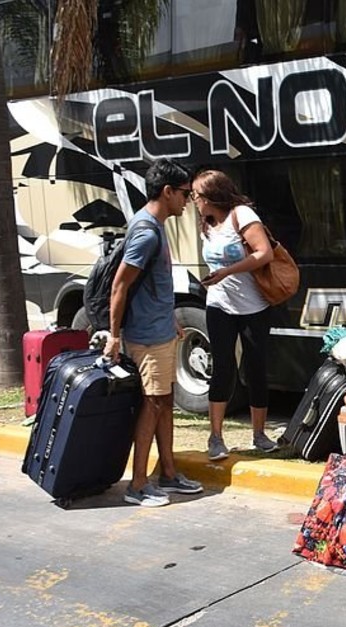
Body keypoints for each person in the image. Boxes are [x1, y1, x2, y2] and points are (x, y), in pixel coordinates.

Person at [105, 158, 205, 507]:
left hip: (159, 329)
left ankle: (169, 473)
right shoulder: (147, 232)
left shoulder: (153, 225)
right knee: (152, 404)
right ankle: (137, 485)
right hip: (147, 336)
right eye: (185, 194)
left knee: (163, 402)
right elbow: (119, 286)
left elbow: (150, 283)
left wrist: (169, 317)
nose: (188, 201)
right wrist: (113, 335)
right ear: (167, 192)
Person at [191, 169, 279, 461]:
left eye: (196, 195)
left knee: (256, 368)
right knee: (222, 368)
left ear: (211, 195)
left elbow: (264, 253)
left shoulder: (241, 215)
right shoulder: (207, 224)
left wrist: (228, 271)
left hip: (254, 306)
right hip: (219, 305)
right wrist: (216, 278)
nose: (193, 201)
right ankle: (215, 437)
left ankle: (259, 434)